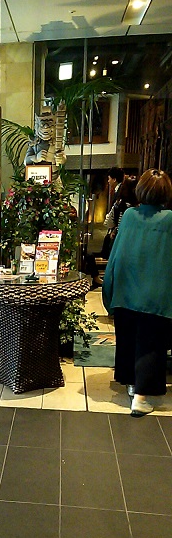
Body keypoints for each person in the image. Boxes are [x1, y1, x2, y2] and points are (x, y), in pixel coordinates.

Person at [102, 168, 172, 417]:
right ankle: (141, 398)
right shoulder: (169, 219)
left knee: (129, 340)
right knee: (150, 345)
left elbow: (117, 254)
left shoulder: (130, 215)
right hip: (157, 295)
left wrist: (109, 289)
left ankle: (132, 384)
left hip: (126, 291)